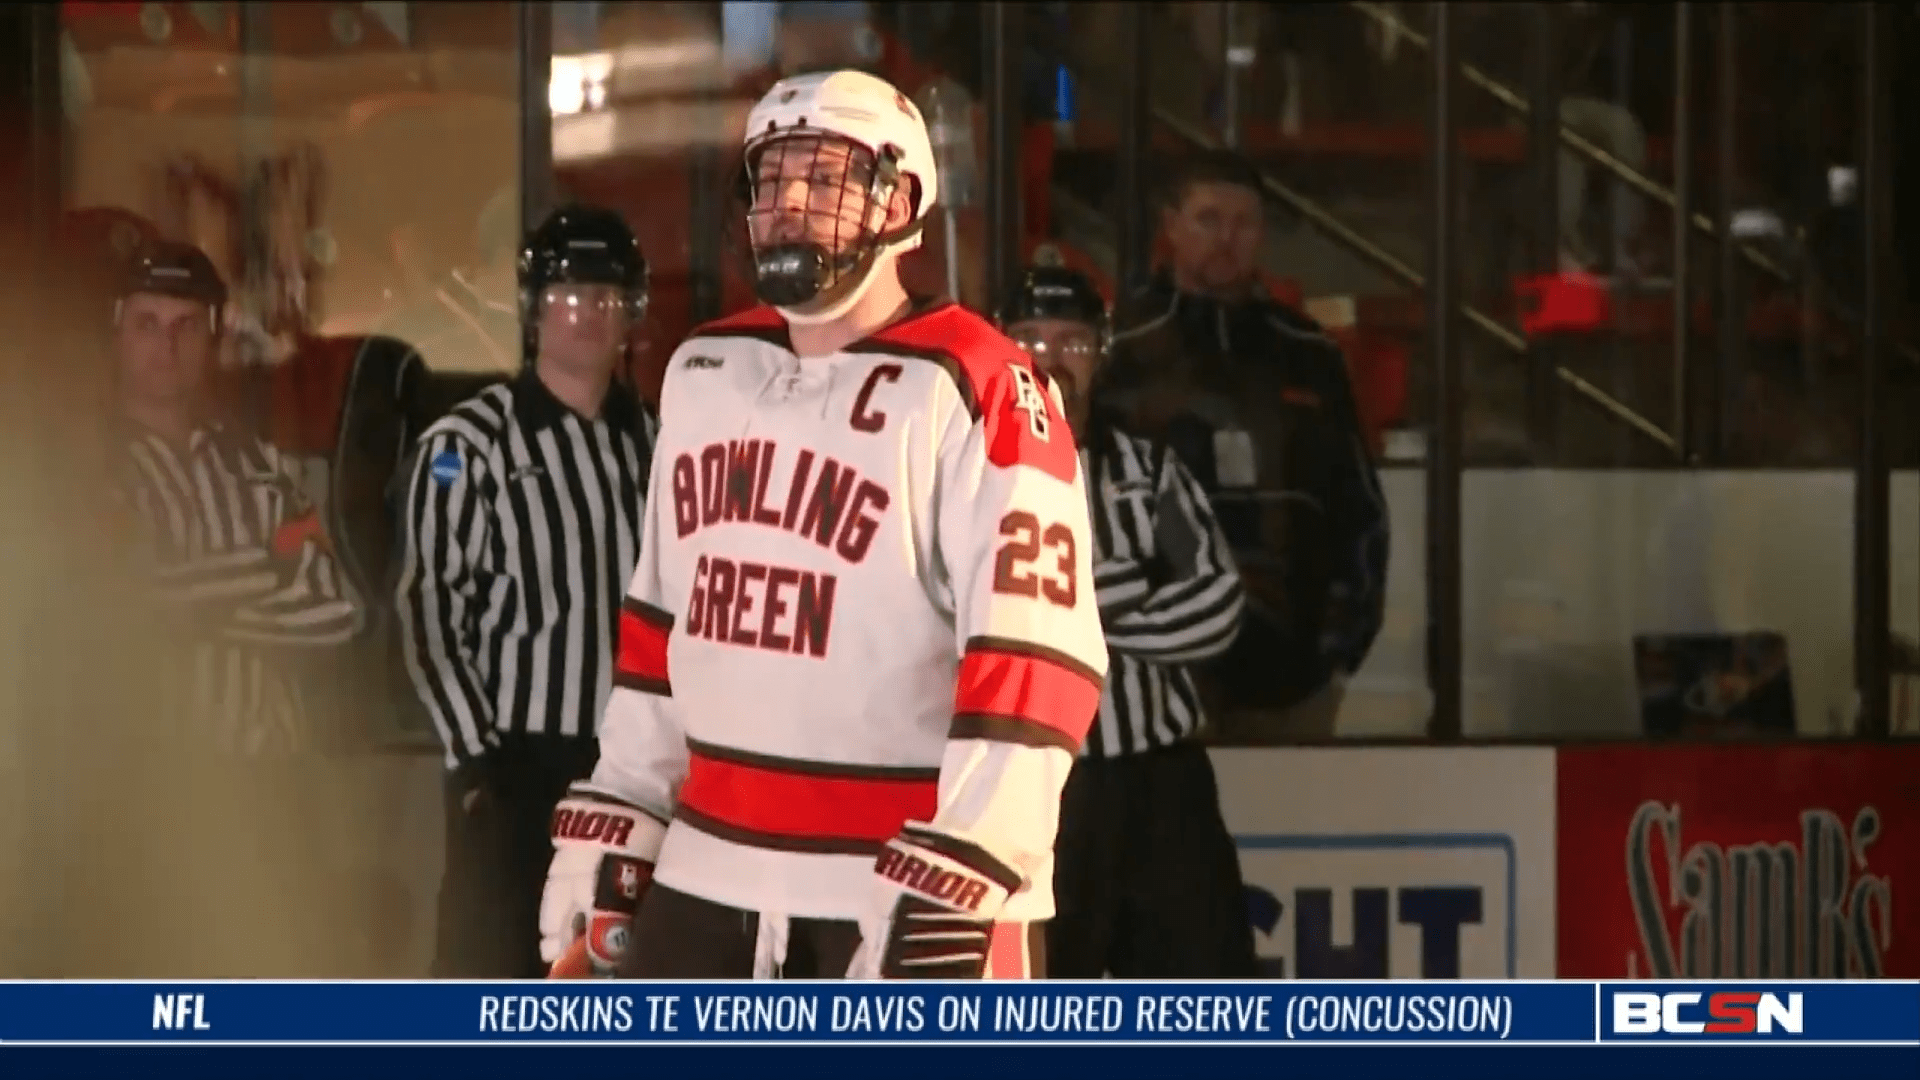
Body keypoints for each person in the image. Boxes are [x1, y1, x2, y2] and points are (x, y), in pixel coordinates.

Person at [538, 68, 1107, 982]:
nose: (791, 202)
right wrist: (625, 805)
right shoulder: (702, 371)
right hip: (706, 868)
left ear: (903, 200)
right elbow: (659, 630)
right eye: (773, 177)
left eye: (825, 176)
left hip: (892, 882)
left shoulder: (985, 387)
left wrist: (971, 860)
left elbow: (1038, 659)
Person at [395, 204, 654, 979]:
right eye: (571, 294)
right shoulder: (467, 444)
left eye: (607, 298)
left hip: (635, 763)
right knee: (493, 971)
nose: (589, 314)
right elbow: (429, 609)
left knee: (617, 976)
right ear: (534, 309)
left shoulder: (660, 440)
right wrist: (475, 767)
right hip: (514, 764)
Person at [1004, 264, 1258, 977]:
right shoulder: (965, 476)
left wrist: (1076, 619)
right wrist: (1134, 592)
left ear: (1103, 349)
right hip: (1041, 785)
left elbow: (1217, 607)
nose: (1051, 359)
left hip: (1161, 786)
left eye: (1072, 342)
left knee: (1205, 992)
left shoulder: (1149, 473)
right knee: (1052, 995)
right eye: (1030, 340)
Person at [1106, 150, 1387, 741]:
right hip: (1156, 682)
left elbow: (1360, 511)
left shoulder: (1310, 355)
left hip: (1294, 679)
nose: (1227, 239)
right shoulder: (1118, 351)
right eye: (1209, 219)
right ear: (1171, 226)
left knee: (1291, 835)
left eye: (1245, 224)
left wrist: (1341, 648)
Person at [109, 240, 363, 753]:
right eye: (148, 325)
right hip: (137, 779)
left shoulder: (259, 467)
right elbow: (120, 606)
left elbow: (337, 608)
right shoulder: (88, 466)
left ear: (214, 338)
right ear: (117, 333)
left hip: (269, 778)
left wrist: (192, 608)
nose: (168, 345)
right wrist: (266, 563)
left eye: (186, 326)